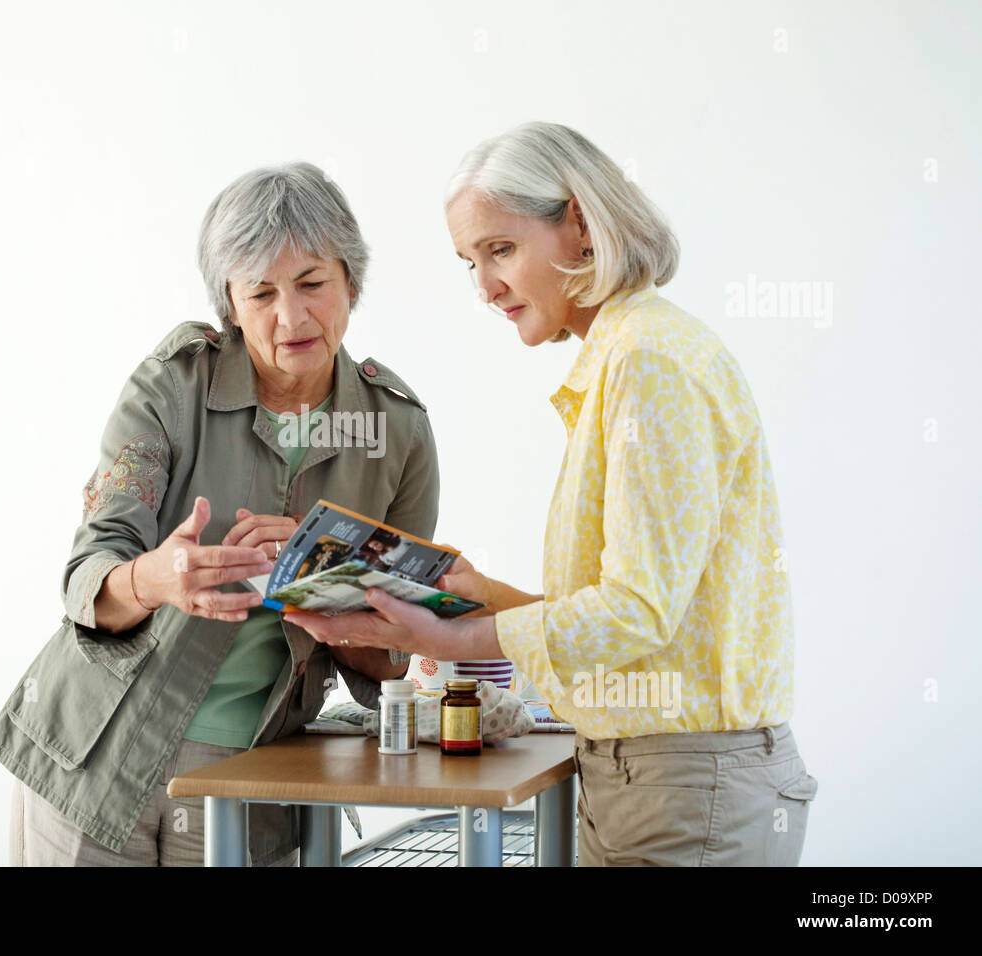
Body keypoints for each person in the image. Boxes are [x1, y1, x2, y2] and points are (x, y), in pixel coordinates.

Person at [290, 122, 819, 866]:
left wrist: (442, 639)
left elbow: (636, 611)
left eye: (500, 250)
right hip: (655, 780)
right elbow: (639, 611)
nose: (485, 288)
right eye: (470, 262)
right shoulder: (626, 356)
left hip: (686, 787)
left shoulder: (647, 363)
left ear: (577, 222)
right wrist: (484, 596)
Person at [0, 162, 441, 866]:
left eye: (313, 283)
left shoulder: (398, 431)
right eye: (261, 292)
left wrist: (319, 577)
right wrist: (155, 579)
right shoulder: (174, 382)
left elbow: (395, 647)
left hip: (252, 774)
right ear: (229, 304)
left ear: (352, 280)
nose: (291, 316)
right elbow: (89, 573)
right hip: (97, 757)